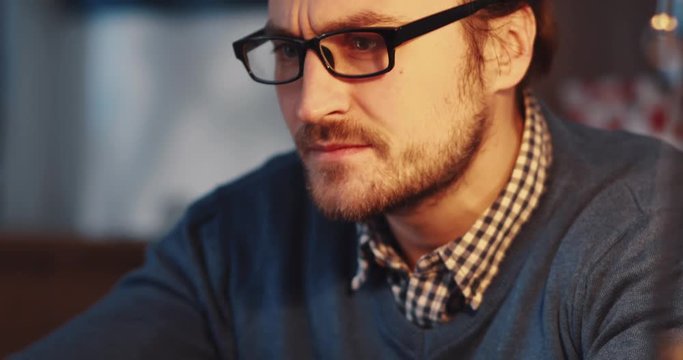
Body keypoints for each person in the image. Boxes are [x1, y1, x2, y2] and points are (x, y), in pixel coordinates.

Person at [13, 0, 683, 358]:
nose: (310, 105)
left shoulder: (647, 228)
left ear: (502, 49)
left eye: (366, 44)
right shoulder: (240, 237)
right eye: (288, 51)